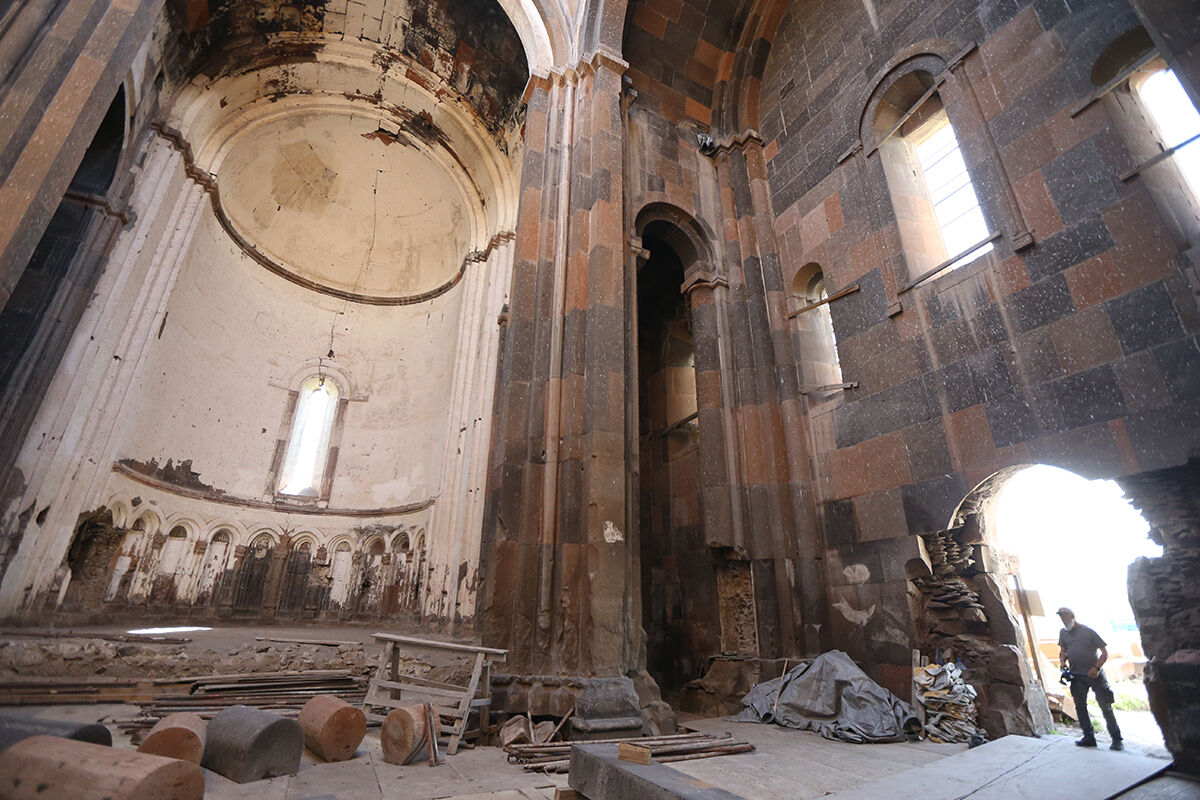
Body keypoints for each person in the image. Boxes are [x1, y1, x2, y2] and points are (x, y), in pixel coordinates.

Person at [1057, 607, 1123, 750]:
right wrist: (1062, 662)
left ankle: (1117, 739)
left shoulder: (1088, 631)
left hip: (1095, 676)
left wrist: (1097, 668)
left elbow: (1105, 653)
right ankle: (1088, 737)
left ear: (1072, 616)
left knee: (1105, 707)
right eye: (1061, 617)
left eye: (1065, 616)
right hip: (1077, 676)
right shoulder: (1063, 633)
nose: (1063, 619)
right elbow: (1062, 651)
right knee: (1080, 707)